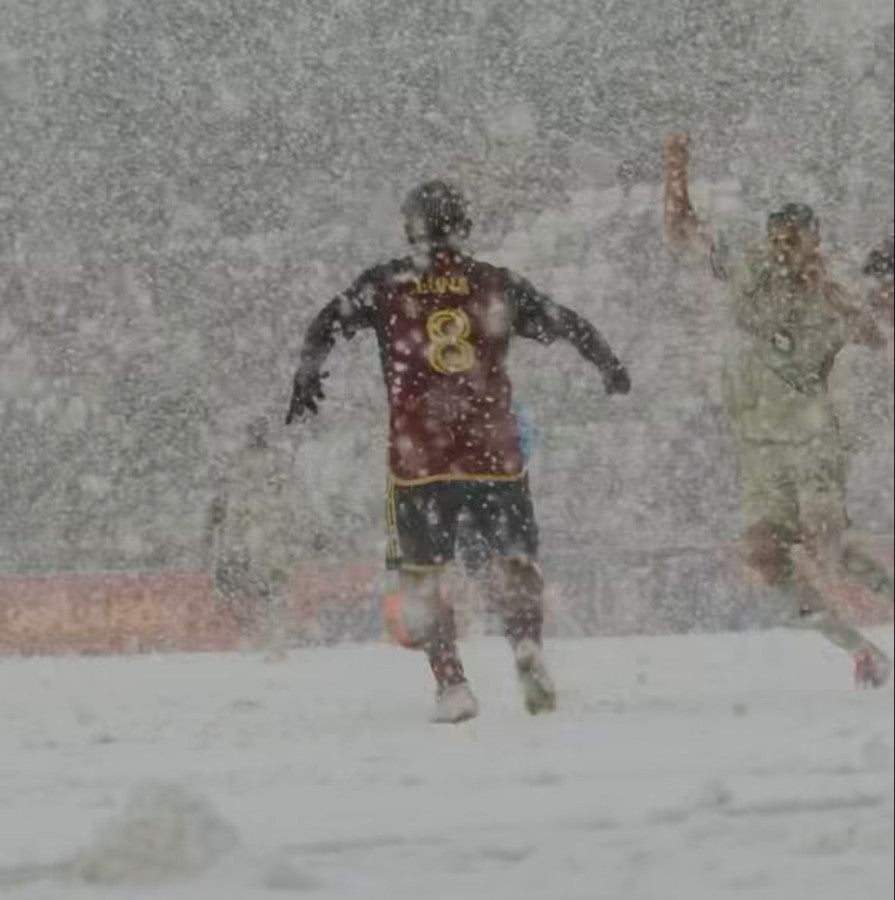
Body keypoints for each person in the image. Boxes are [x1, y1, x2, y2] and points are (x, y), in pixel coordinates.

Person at [286, 180, 630, 722]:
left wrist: (306, 376)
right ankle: (527, 648)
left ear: (411, 227)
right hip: (491, 450)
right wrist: (607, 362)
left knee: (422, 577)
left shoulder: (388, 283)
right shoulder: (493, 281)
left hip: (420, 457)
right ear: (463, 228)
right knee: (514, 563)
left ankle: (452, 686)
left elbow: (326, 320)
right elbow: (565, 322)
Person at [663, 132, 893, 688]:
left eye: (797, 240)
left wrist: (835, 293)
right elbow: (683, 233)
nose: (784, 249)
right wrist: (676, 172)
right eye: (778, 239)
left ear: (815, 241)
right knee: (766, 555)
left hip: (812, 432)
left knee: (827, 539)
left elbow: (874, 334)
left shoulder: (829, 285)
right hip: (758, 440)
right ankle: (860, 650)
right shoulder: (749, 273)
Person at [208, 415, 295, 654]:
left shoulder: (271, 461)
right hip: (257, 527)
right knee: (261, 579)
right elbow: (239, 494)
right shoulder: (248, 461)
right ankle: (262, 631)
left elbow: (278, 494)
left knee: (270, 581)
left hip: (267, 527)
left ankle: (271, 632)